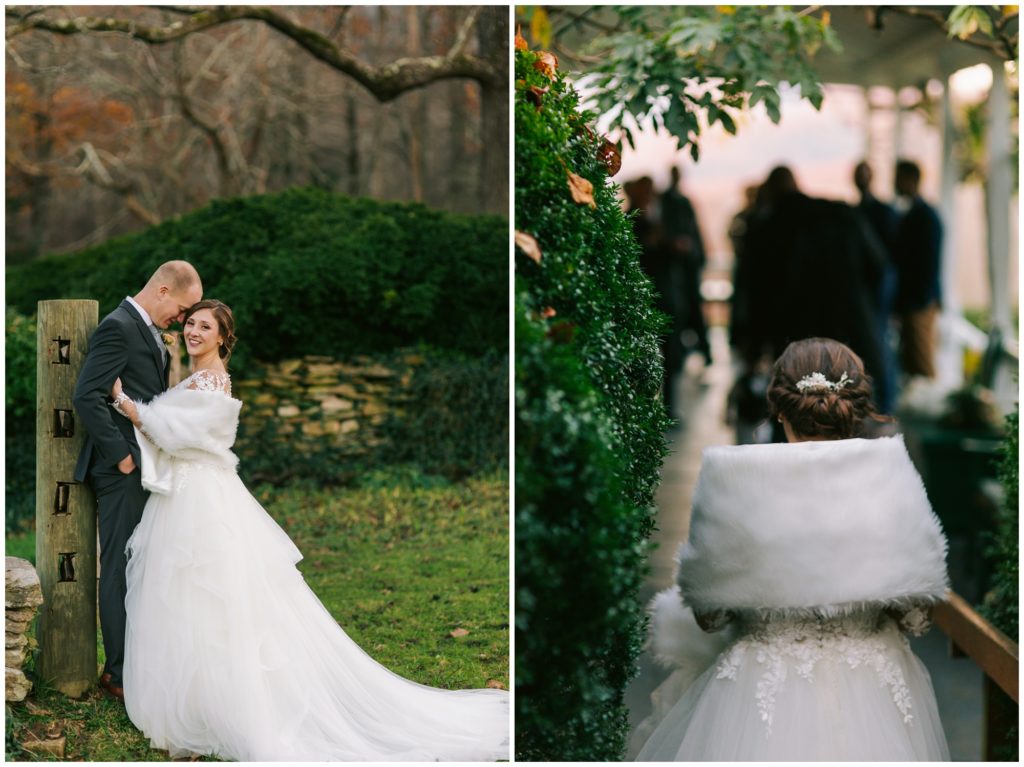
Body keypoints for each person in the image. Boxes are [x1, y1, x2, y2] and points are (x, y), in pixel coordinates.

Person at [110, 299, 509, 761]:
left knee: (208, 597)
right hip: (189, 495)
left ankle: (223, 703)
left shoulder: (212, 380)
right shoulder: (201, 377)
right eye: (191, 324)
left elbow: (176, 433)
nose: (194, 332)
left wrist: (123, 402)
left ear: (223, 337)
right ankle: (198, 696)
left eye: (205, 327)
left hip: (200, 502)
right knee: (191, 599)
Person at [632, 337, 950, 761]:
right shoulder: (891, 475)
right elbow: (916, 615)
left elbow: (709, 616)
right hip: (873, 685)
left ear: (779, 408)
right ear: (853, 407)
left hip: (760, 686)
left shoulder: (735, 483)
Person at [72, 260, 204, 702]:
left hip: (148, 465)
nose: (182, 322)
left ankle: (141, 661)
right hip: (121, 471)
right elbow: (86, 395)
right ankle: (118, 674)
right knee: (119, 566)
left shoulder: (145, 329)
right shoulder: (117, 326)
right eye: (183, 310)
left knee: (142, 563)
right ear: (163, 290)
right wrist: (124, 457)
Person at [743, 166, 887, 430]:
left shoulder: (768, 228)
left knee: (794, 410)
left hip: (792, 334)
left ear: (771, 192)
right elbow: (878, 266)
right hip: (847, 328)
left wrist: (753, 345)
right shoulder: (842, 214)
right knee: (847, 409)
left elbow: (756, 292)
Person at [853, 160, 900, 413]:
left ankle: (887, 400)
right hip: (867, 290)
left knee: (880, 341)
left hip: (880, 288)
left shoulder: (882, 212)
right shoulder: (857, 211)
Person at [893, 159, 943, 379]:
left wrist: (920, 299)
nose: (894, 183)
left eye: (898, 178)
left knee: (922, 361)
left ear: (910, 180)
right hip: (915, 299)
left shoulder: (925, 217)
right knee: (913, 361)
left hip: (919, 301)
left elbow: (928, 263)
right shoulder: (916, 214)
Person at [661, 166, 711, 366]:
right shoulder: (673, 201)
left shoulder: (676, 201)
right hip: (679, 267)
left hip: (685, 266)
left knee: (689, 309)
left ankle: (689, 352)